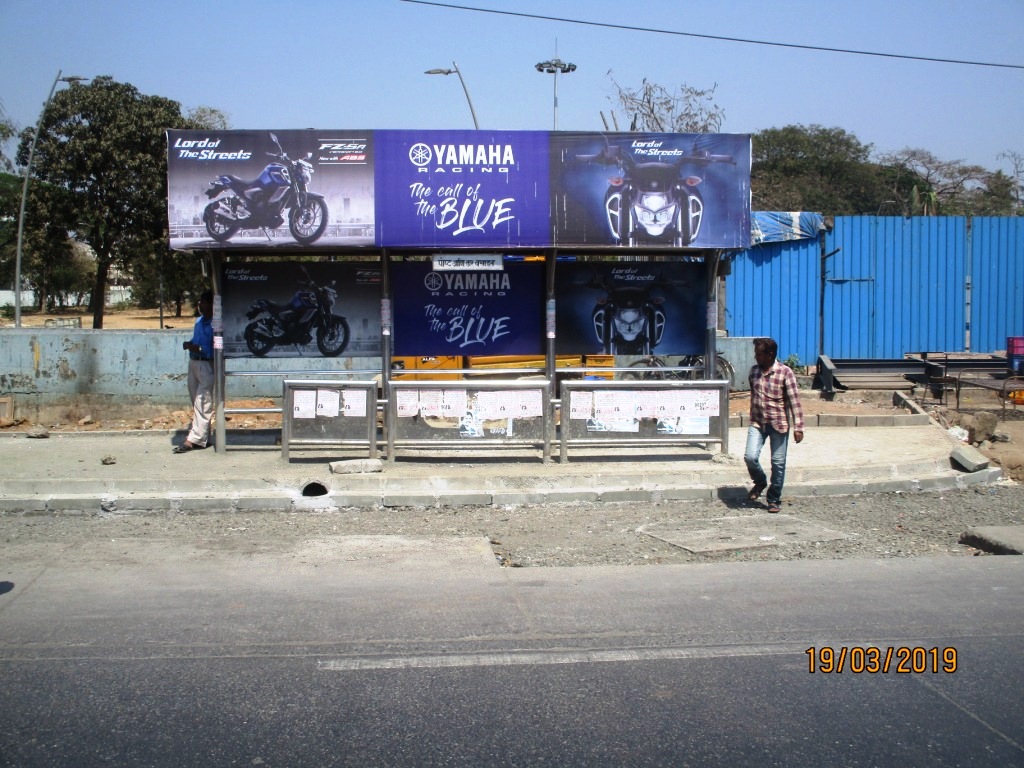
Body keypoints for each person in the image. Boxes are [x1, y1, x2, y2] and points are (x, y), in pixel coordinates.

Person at [744, 337, 804, 512]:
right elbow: (754, 395)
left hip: (779, 424)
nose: (756, 357)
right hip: (757, 422)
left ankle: (773, 499)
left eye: (759, 354)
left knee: (778, 463)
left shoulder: (785, 373)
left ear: (770, 355)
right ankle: (760, 482)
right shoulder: (754, 372)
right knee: (750, 456)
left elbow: (795, 401)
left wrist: (799, 427)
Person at [174, 290, 214, 453]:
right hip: (194, 363)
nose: (200, 305)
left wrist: (199, 348)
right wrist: (189, 345)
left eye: (203, 302)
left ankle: (193, 439)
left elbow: (214, 348)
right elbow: (196, 341)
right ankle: (203, 437)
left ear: (211, 305)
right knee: (196, 400)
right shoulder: (198, 322)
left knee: (202, 401)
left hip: (207, 364)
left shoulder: (216, 324)